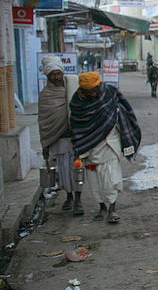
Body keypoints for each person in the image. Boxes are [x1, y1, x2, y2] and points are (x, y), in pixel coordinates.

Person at [70, 72, 141, 224]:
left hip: (110, 141)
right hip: (89, 146)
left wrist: (123, 122)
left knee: (111, 178)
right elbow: (76, 123)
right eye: (88, 92)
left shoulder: (109, 92)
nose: (92, 94)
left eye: (94, 90)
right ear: (82, 91)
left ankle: (112, 209)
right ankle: (101, 207)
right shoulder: (77, 101)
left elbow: (125, 109)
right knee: (94, 181)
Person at [38, 56, 83, 216]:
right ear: (48, 76)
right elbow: (44, 121)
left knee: (77, 170)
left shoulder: (72, 87)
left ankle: (78, 200)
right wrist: (45, 145)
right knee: (63, 172)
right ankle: (69, 197)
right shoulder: (45, 95)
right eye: (53, 74)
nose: (56, 77)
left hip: (75, 138)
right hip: (58, 140)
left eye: (58, 73)